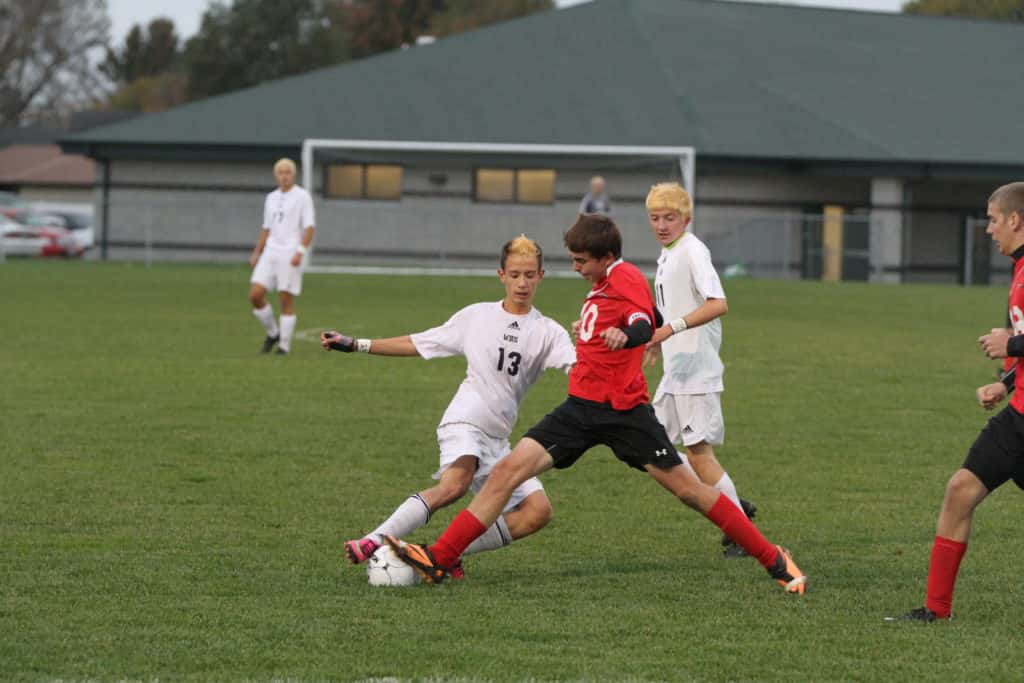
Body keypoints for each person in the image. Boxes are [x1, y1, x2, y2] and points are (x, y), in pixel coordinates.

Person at [386, 214, 807, 594]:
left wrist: (633, 335)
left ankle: (774, 558)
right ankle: (439, 558)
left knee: (690, 491)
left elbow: (641, 319)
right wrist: (606, 330)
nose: (575, 267)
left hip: (623, 413)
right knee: (508, 473)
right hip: (580, 409)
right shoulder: (604, 283)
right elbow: (651, 317)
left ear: (606, 257)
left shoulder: (623, 277)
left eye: (580, 260)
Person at [321, 235, 575, 578]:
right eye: (514, 274)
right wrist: (356, 345)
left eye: (529, 275)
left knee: (537, 512)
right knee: (455, 484)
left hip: (498, 440)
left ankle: (439, 553)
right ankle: (372, 538)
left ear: (541, 276)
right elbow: (419, 342)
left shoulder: (549, 332)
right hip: (465, 421)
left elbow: (579, 369)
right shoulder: (476, 317)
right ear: (501, 274)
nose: (522, 283)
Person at [888, 182, 1024, 622]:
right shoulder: (1019, 269)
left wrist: (1013, 342)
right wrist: (1005, 381)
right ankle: (935, 610)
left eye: (993, 219)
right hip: (1019, 414)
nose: (988, 229)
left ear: (1015, 220)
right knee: (961, 489)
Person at [642, 182, 757, 558]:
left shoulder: (693, 251)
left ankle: (737, 523)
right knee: (650, 446)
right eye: (655, 218)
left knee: (697, 455)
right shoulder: (667, 254)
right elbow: (670, 305)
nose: (662, 225)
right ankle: (733, 505)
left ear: (686, 219)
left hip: (697, 371)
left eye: (669, 218)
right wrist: (659, 338)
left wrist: (670, 329)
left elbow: (718, 303)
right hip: (676, 370)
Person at [248, 158, 315, 355]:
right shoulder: (271, 198)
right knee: (255, 295)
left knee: (285, 300)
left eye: (288, 172)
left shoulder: (303, 196)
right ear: (276, 175)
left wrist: (300, 252)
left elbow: (310, 227)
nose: (284, 176)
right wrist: (257, 252)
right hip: (270, 252)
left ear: (293, 175)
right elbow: (266, 228)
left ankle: (284, 346)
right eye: (280, 172)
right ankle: (273, 332)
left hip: (290, 252)